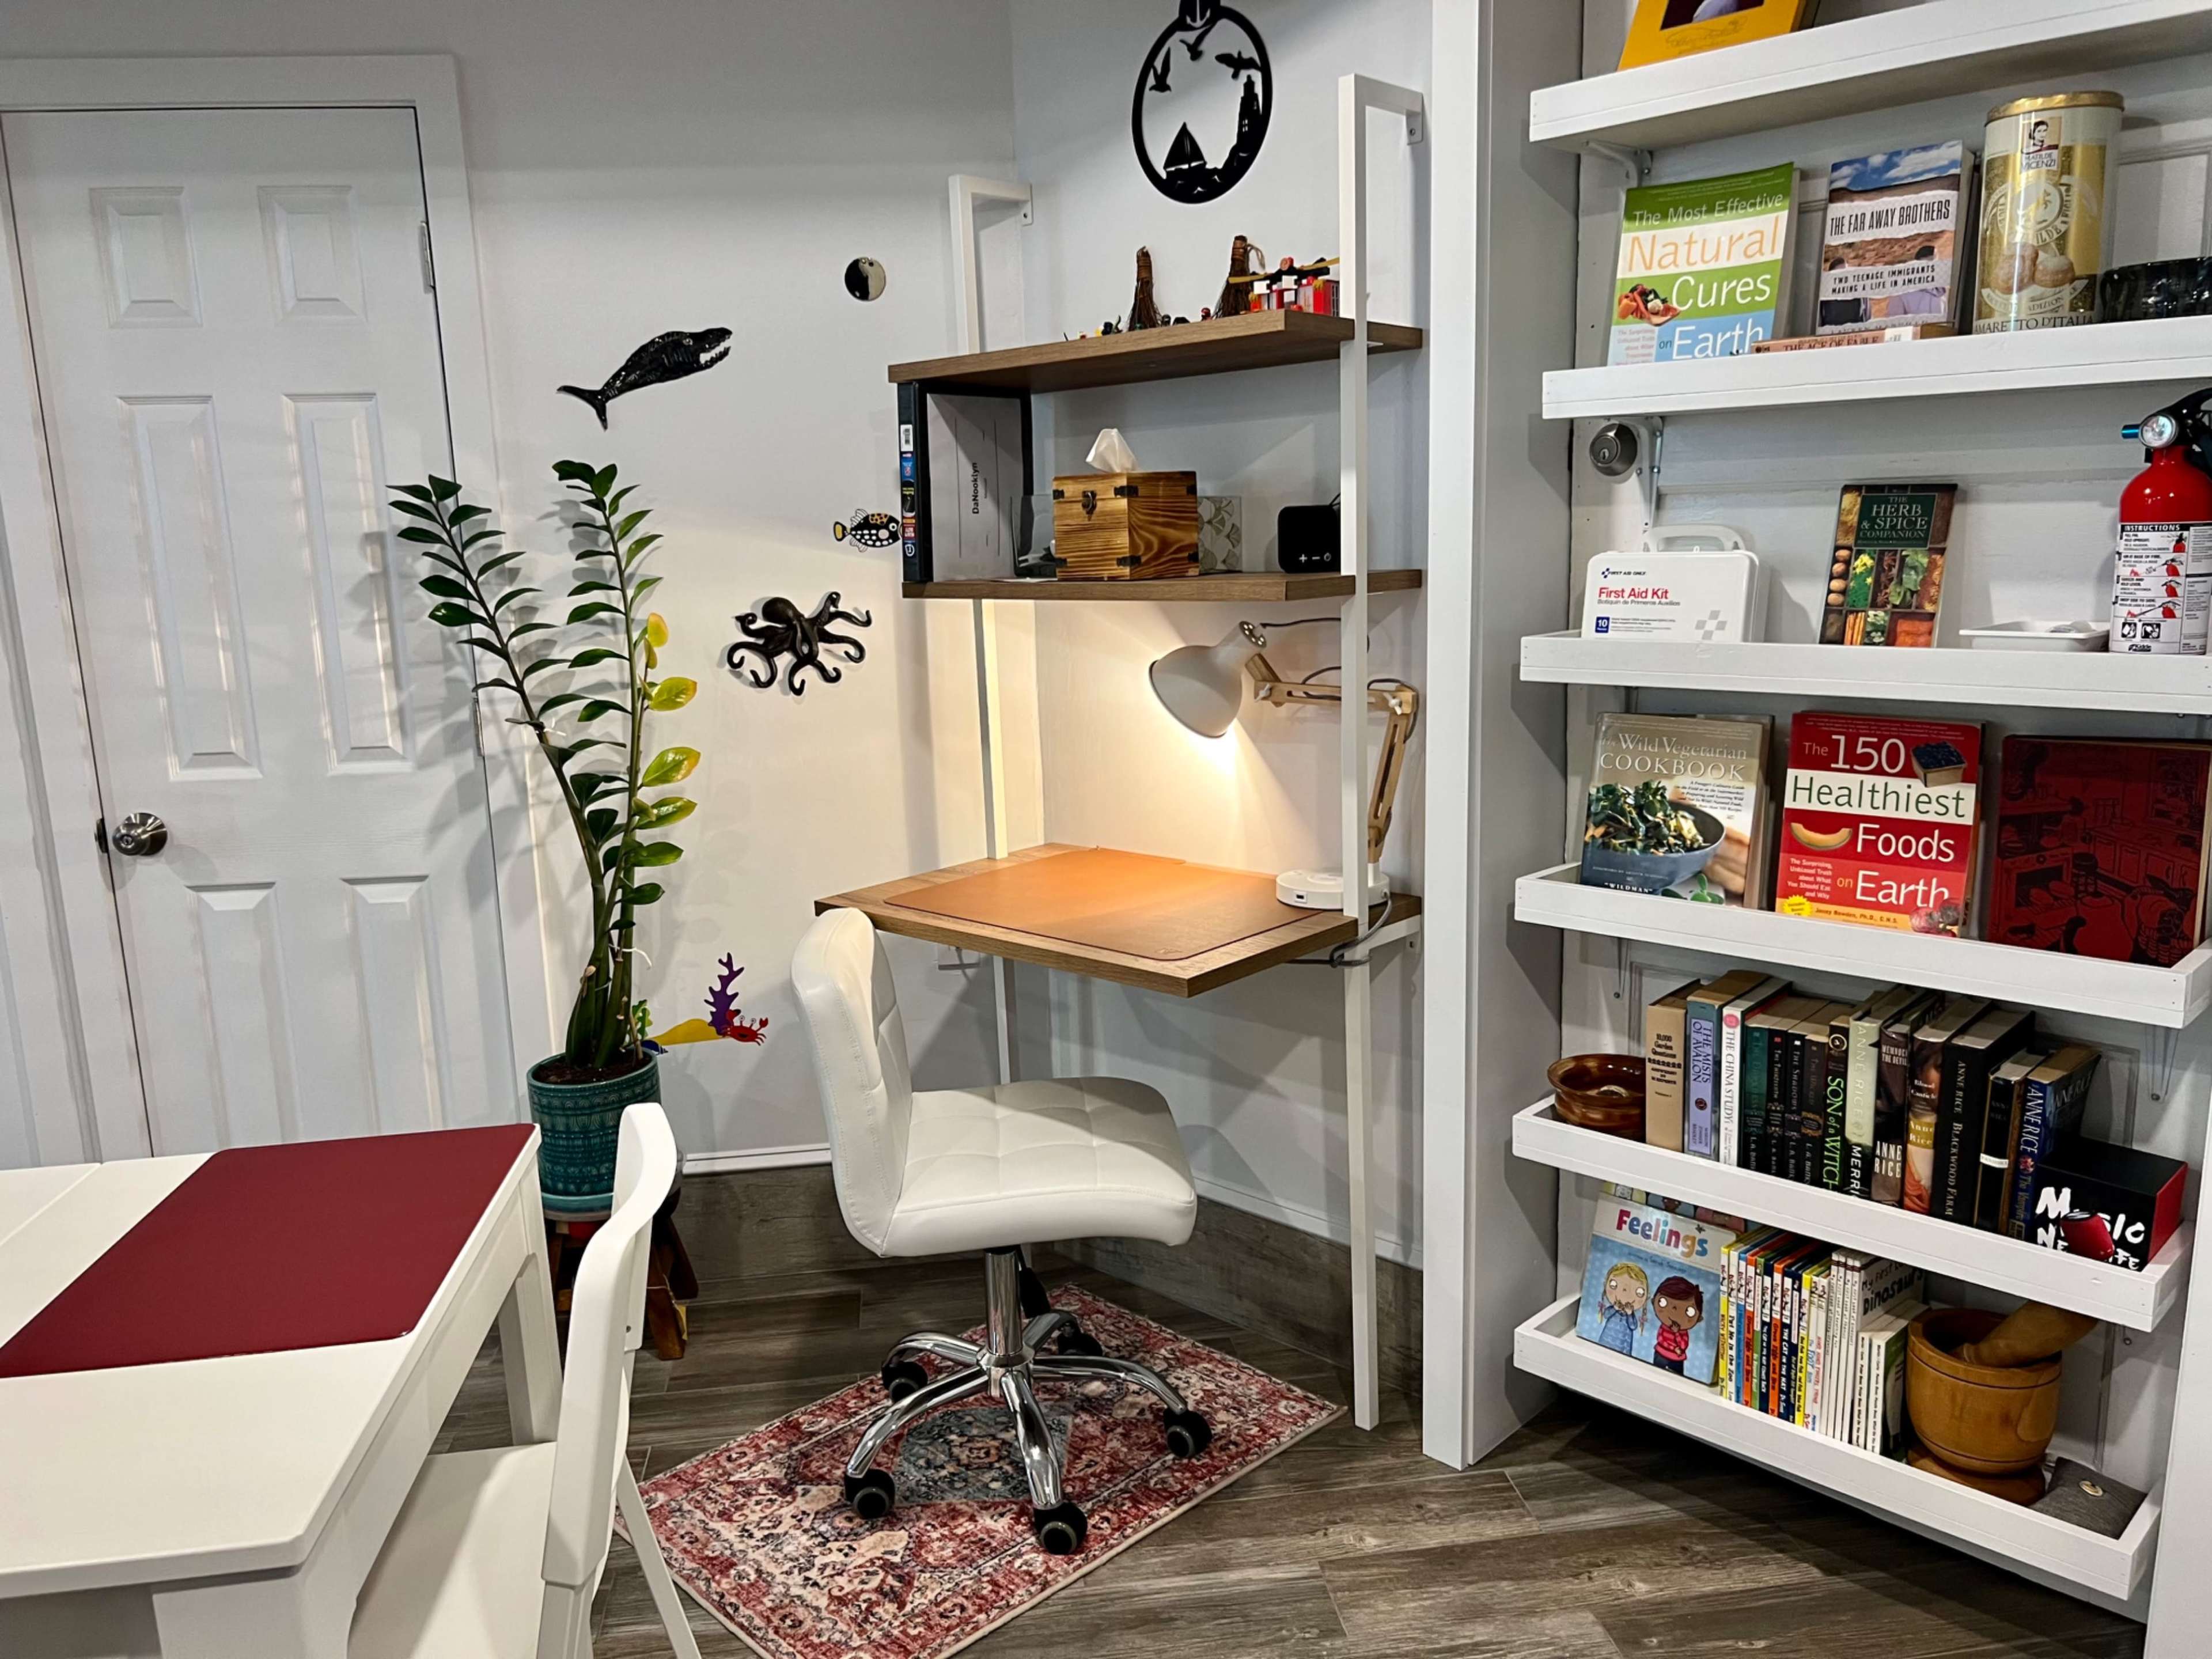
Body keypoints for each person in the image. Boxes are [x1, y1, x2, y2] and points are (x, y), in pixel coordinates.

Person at [1652, 1276, 1705, 1376]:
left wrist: (1677, 1333)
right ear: (1654, 1301)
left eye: (1689, 1312)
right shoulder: (1664, 1327)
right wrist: (1673, 1348)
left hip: (1676, 1359)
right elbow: (1660, 1339)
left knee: (1676, 1377)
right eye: (1663, 1302)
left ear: (1698, 1318)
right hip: (1661, 1353)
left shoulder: (1684, 1333)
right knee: (1655, 1374)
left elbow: (1684, 1345)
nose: (1674, 1311)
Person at [1595, 1261, 1649, 1355]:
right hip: (1607, 1339)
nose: (1625, 1292)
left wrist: (1629, 1314)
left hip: (1623, 1345)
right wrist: (1615, 1308)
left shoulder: (1631, 1315)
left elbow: (1633, 1326)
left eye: (1639, 1292)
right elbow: (1606, 1315)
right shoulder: (1613, 1309)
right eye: (1613, 1285)